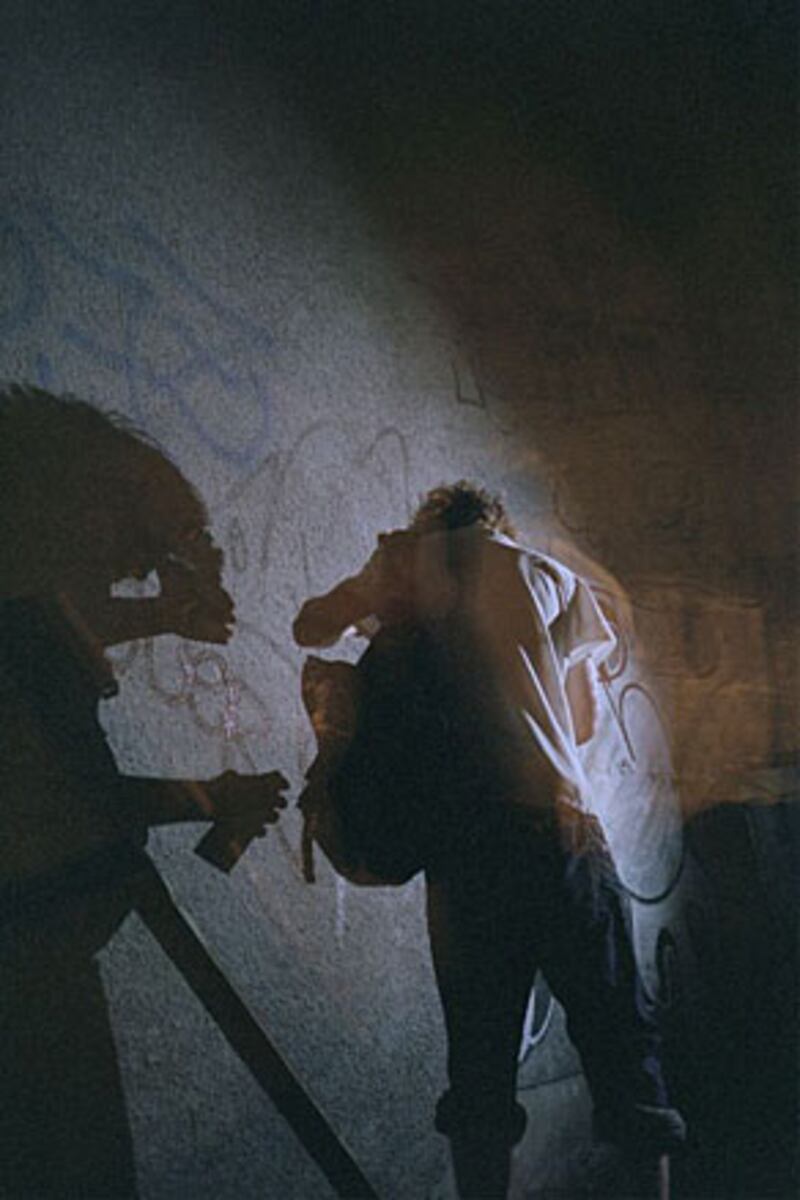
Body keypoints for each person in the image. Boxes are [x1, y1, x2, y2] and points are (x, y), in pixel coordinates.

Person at [293, 480, 685, 1199]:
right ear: (499, 523)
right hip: (561, 831)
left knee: (479, 1072)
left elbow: (309, 627)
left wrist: (378, 614)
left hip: (463, 850)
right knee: (623, 1051)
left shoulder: (405, 562)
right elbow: (584, 723)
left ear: (428, 521)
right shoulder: (549, 576)